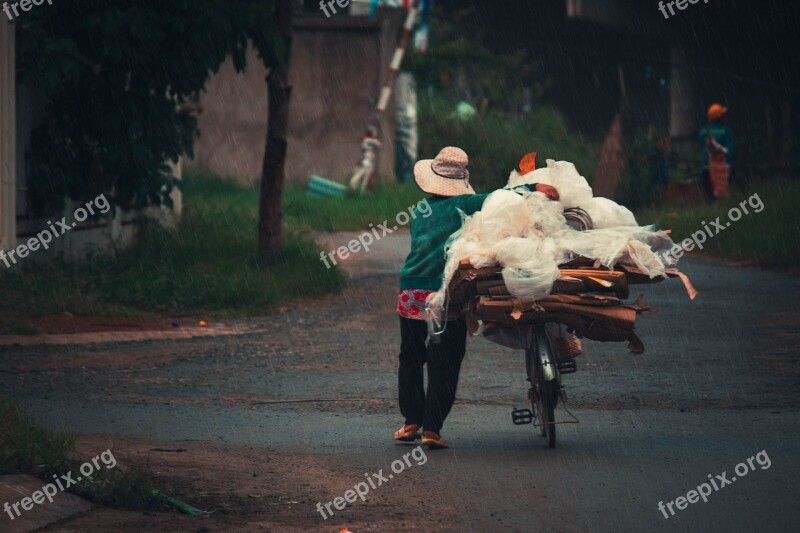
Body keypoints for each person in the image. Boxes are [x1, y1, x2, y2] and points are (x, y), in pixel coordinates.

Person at [394, 146, 559, 449]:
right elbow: (502, 198)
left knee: (411, 357)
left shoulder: (420, 210)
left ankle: (411, 422)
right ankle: (431, 429)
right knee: (445, 359)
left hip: (411, 291)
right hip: (446, 293)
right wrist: (534, 186)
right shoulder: (468, 203)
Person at [699, 103, 733, 200]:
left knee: (710, 198)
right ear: (719, 117)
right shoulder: (726, 131)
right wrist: (729, 164)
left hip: (707, 167)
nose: (726, 117)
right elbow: (729, 151)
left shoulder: (703, 131)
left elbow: (702, 144)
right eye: (723, 115)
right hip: (721, 169)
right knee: (722, 197)